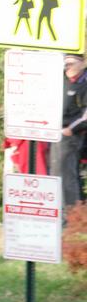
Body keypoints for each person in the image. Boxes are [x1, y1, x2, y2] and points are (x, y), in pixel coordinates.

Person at [59, 54, 87, 207]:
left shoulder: (84, 82)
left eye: (71, 63)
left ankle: (75, 211)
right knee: (60, 172)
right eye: (65, 63)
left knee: (70, 172)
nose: (67, 67)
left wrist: (71, 128)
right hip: (57, 133)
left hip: (75, 134)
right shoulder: (61, 80)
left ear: (82, 63)